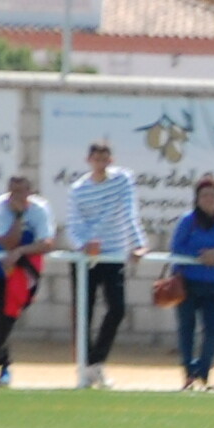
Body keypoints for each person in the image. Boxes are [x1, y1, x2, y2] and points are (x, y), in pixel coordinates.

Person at [67, 141, 145, 389]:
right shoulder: (78, 189)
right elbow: (74, 224)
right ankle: (86, 369)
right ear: (88, 160)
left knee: (117, 308)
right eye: (96, 158)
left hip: (113, 254)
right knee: (83, 313)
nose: (100, 162)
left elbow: (129, 211)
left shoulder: (123, 180)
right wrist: (84, 244)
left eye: (105, 157)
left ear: (111, 160)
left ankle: (95, 362)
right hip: (87, 258)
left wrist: (138, 243)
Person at [0, 173, 54, 386]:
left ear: (30, 192)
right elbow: (8, 244)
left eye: (22, 191)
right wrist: (17, 217)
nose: (17, 195)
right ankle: (2, 366)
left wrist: (22, 251)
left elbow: (47, 244)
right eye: (13, 191)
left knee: (8, 315)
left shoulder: (40, 209)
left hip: (21, 267)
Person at [168, 175, 214, 390]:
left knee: (212, 332)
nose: (209, 199)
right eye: (204, 195)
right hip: (188, 284)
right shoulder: (188, 221)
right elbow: (177, 247)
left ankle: (203, 373)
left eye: (213, 195)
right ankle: (188, 375)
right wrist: (200, 255)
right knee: (186, 330)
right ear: (197, 198)